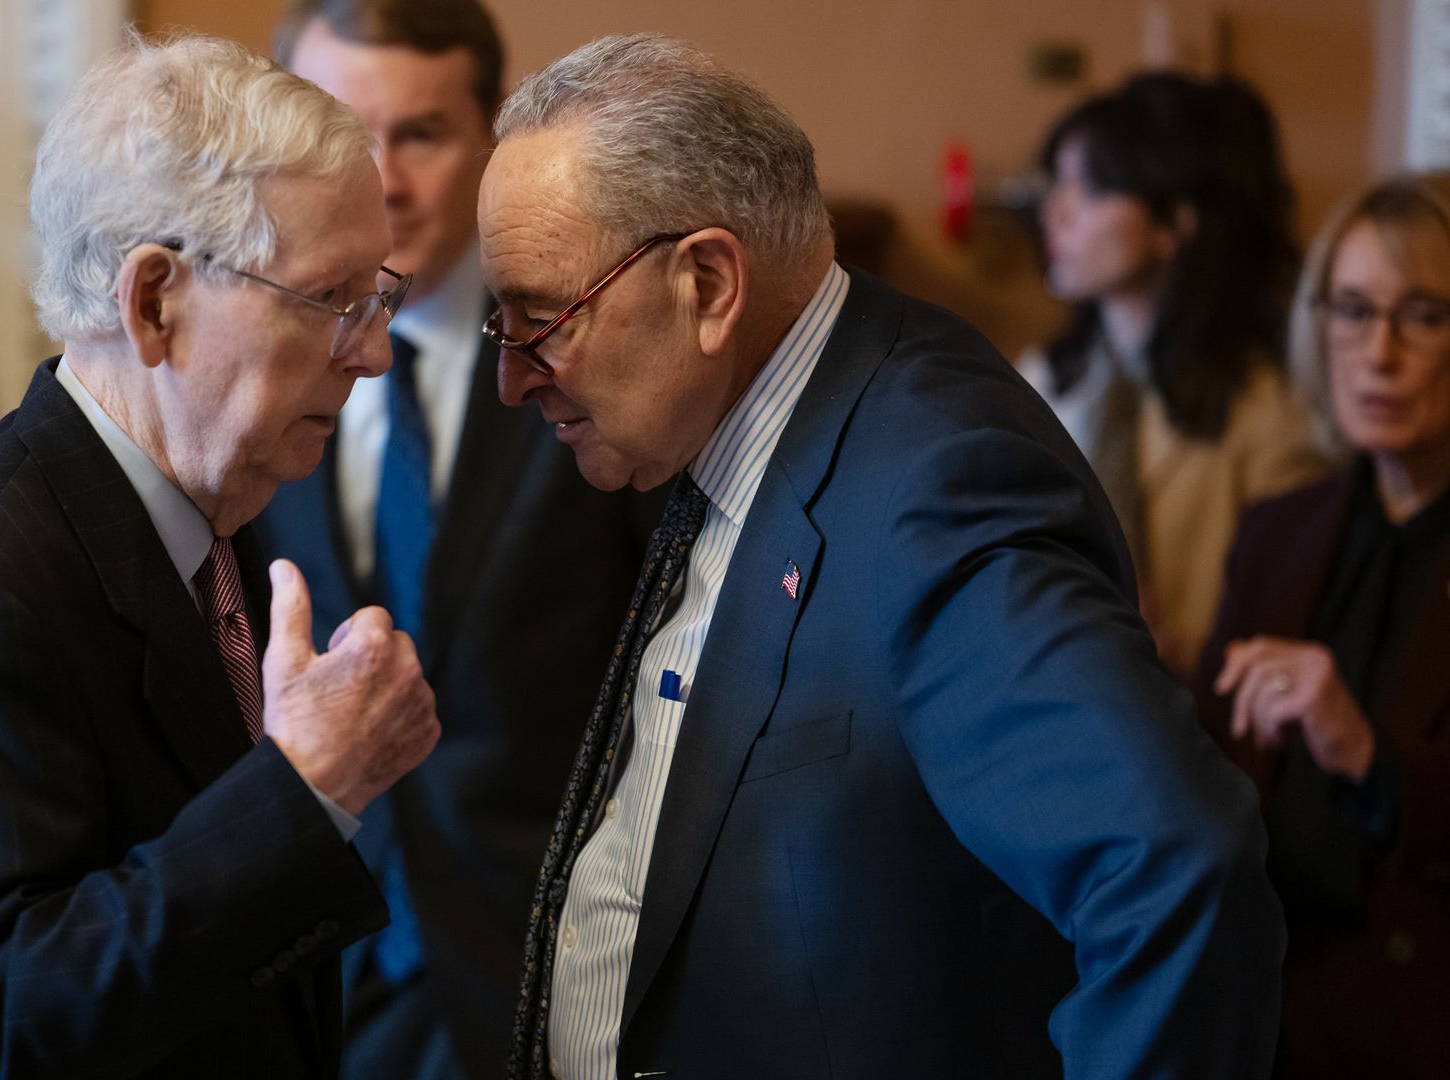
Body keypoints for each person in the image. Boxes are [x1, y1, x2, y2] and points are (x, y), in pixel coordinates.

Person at [480, 35, 1285, 1079]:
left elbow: (1177, 875)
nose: (513, 379)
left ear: (709, 284)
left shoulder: (936, 486)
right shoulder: (735, 420)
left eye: (542, 321)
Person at [0, 31, 442, 1078]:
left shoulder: (207, 520)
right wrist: (305, 790)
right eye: (332, 300)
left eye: (378, 298)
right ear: (154, 303)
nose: (371, 351)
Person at [260, 4, 660, 1077]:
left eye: (421, 135)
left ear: (490, 139)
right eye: (343, 133)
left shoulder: (592, 352)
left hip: (543, 964)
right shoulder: (240, 369)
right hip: (306, 967)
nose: (381, 178)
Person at [1198, 171, 1450, 1078]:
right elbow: (1204, 760)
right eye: (1352, 309)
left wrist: (1366, 757)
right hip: (1262, 1000)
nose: (1378, 352)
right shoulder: (1280, 529)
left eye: (1423, 315)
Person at [1018, 73, 1332, 674]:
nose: (1055, 212)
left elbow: (1287, 629)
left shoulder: (1268, 410)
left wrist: (1176, 651)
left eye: (1088, 190)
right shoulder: (1047, 377)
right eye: (1056, 183)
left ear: (1173, 225)